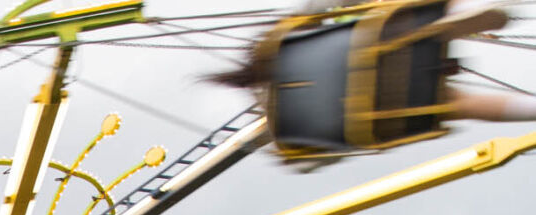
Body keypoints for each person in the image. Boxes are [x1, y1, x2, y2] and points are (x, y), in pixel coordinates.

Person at [214, 4, 536, 131]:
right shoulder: (297, 42)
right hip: (375, 51)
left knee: (458, 105)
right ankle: (443, 24)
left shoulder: (281, 108)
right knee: (409, 31)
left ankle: (530, 108)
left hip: (374, 105)